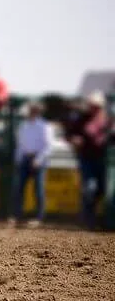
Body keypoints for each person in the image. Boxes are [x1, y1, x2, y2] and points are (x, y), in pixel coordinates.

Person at [66, 91, 110, 230]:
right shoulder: (82, 119)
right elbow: (70, 133)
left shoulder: (108, 120)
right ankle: (89, 220)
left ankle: (99, 219)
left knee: (104, 190)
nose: (93, 108)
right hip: (87, 159)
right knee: (89, 189)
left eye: (96, 105)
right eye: (92, 105)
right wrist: (74, 140)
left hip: (105, 160)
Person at [8, 102, 53, 228]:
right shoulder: (24, 126)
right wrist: (18, 160)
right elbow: (21, 146)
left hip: (39, 160)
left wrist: (38, 159)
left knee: (38, 189)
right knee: (19, 188)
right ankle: (17, 216)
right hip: (25, 159)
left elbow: (48, 146)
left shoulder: (45, 126)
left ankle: (38, 217)